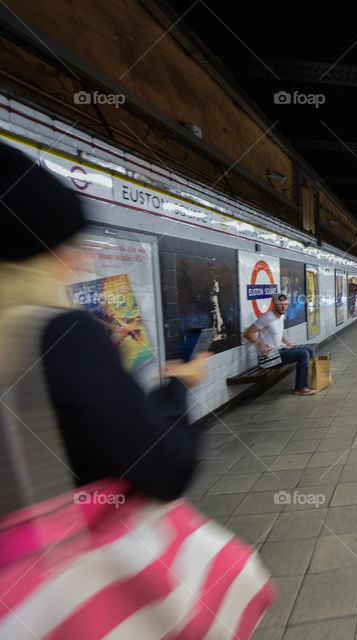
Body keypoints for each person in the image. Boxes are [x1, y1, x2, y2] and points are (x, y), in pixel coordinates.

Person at [0, 144, 210, 514]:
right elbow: (165, 467)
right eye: (71, 245)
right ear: (40, 248)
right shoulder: (58, 335)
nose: (81, 260)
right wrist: (179, 385)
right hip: (56, 556)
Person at [243, 293, 316, 395]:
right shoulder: (266, 317)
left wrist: (286, 342)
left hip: (279, 351)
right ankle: (300, 387)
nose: (283, 307)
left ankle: (311, 381)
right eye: (280, 304)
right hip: (268, 357)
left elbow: (277, 332)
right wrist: (261, 345)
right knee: (303, 354)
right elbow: (248, 333)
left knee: (310, 349)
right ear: (274, 304)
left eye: (286, 304)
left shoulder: (281, 316)